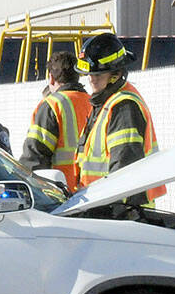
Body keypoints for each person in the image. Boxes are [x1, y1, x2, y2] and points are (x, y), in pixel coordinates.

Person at [74, 32, 165, 206]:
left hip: (121, 212)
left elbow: (124, 168)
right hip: (102, 207)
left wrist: (113, 211)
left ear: (115, 74)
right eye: (89, 75)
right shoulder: (106, 103)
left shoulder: (123, 107)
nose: (91, 79)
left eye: (98, 75)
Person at [19, 51, 92, 190]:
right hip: (91, 190)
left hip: (61, 193)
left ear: (51, 78)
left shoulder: (51, 105)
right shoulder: (93, 103)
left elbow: (35, 156)